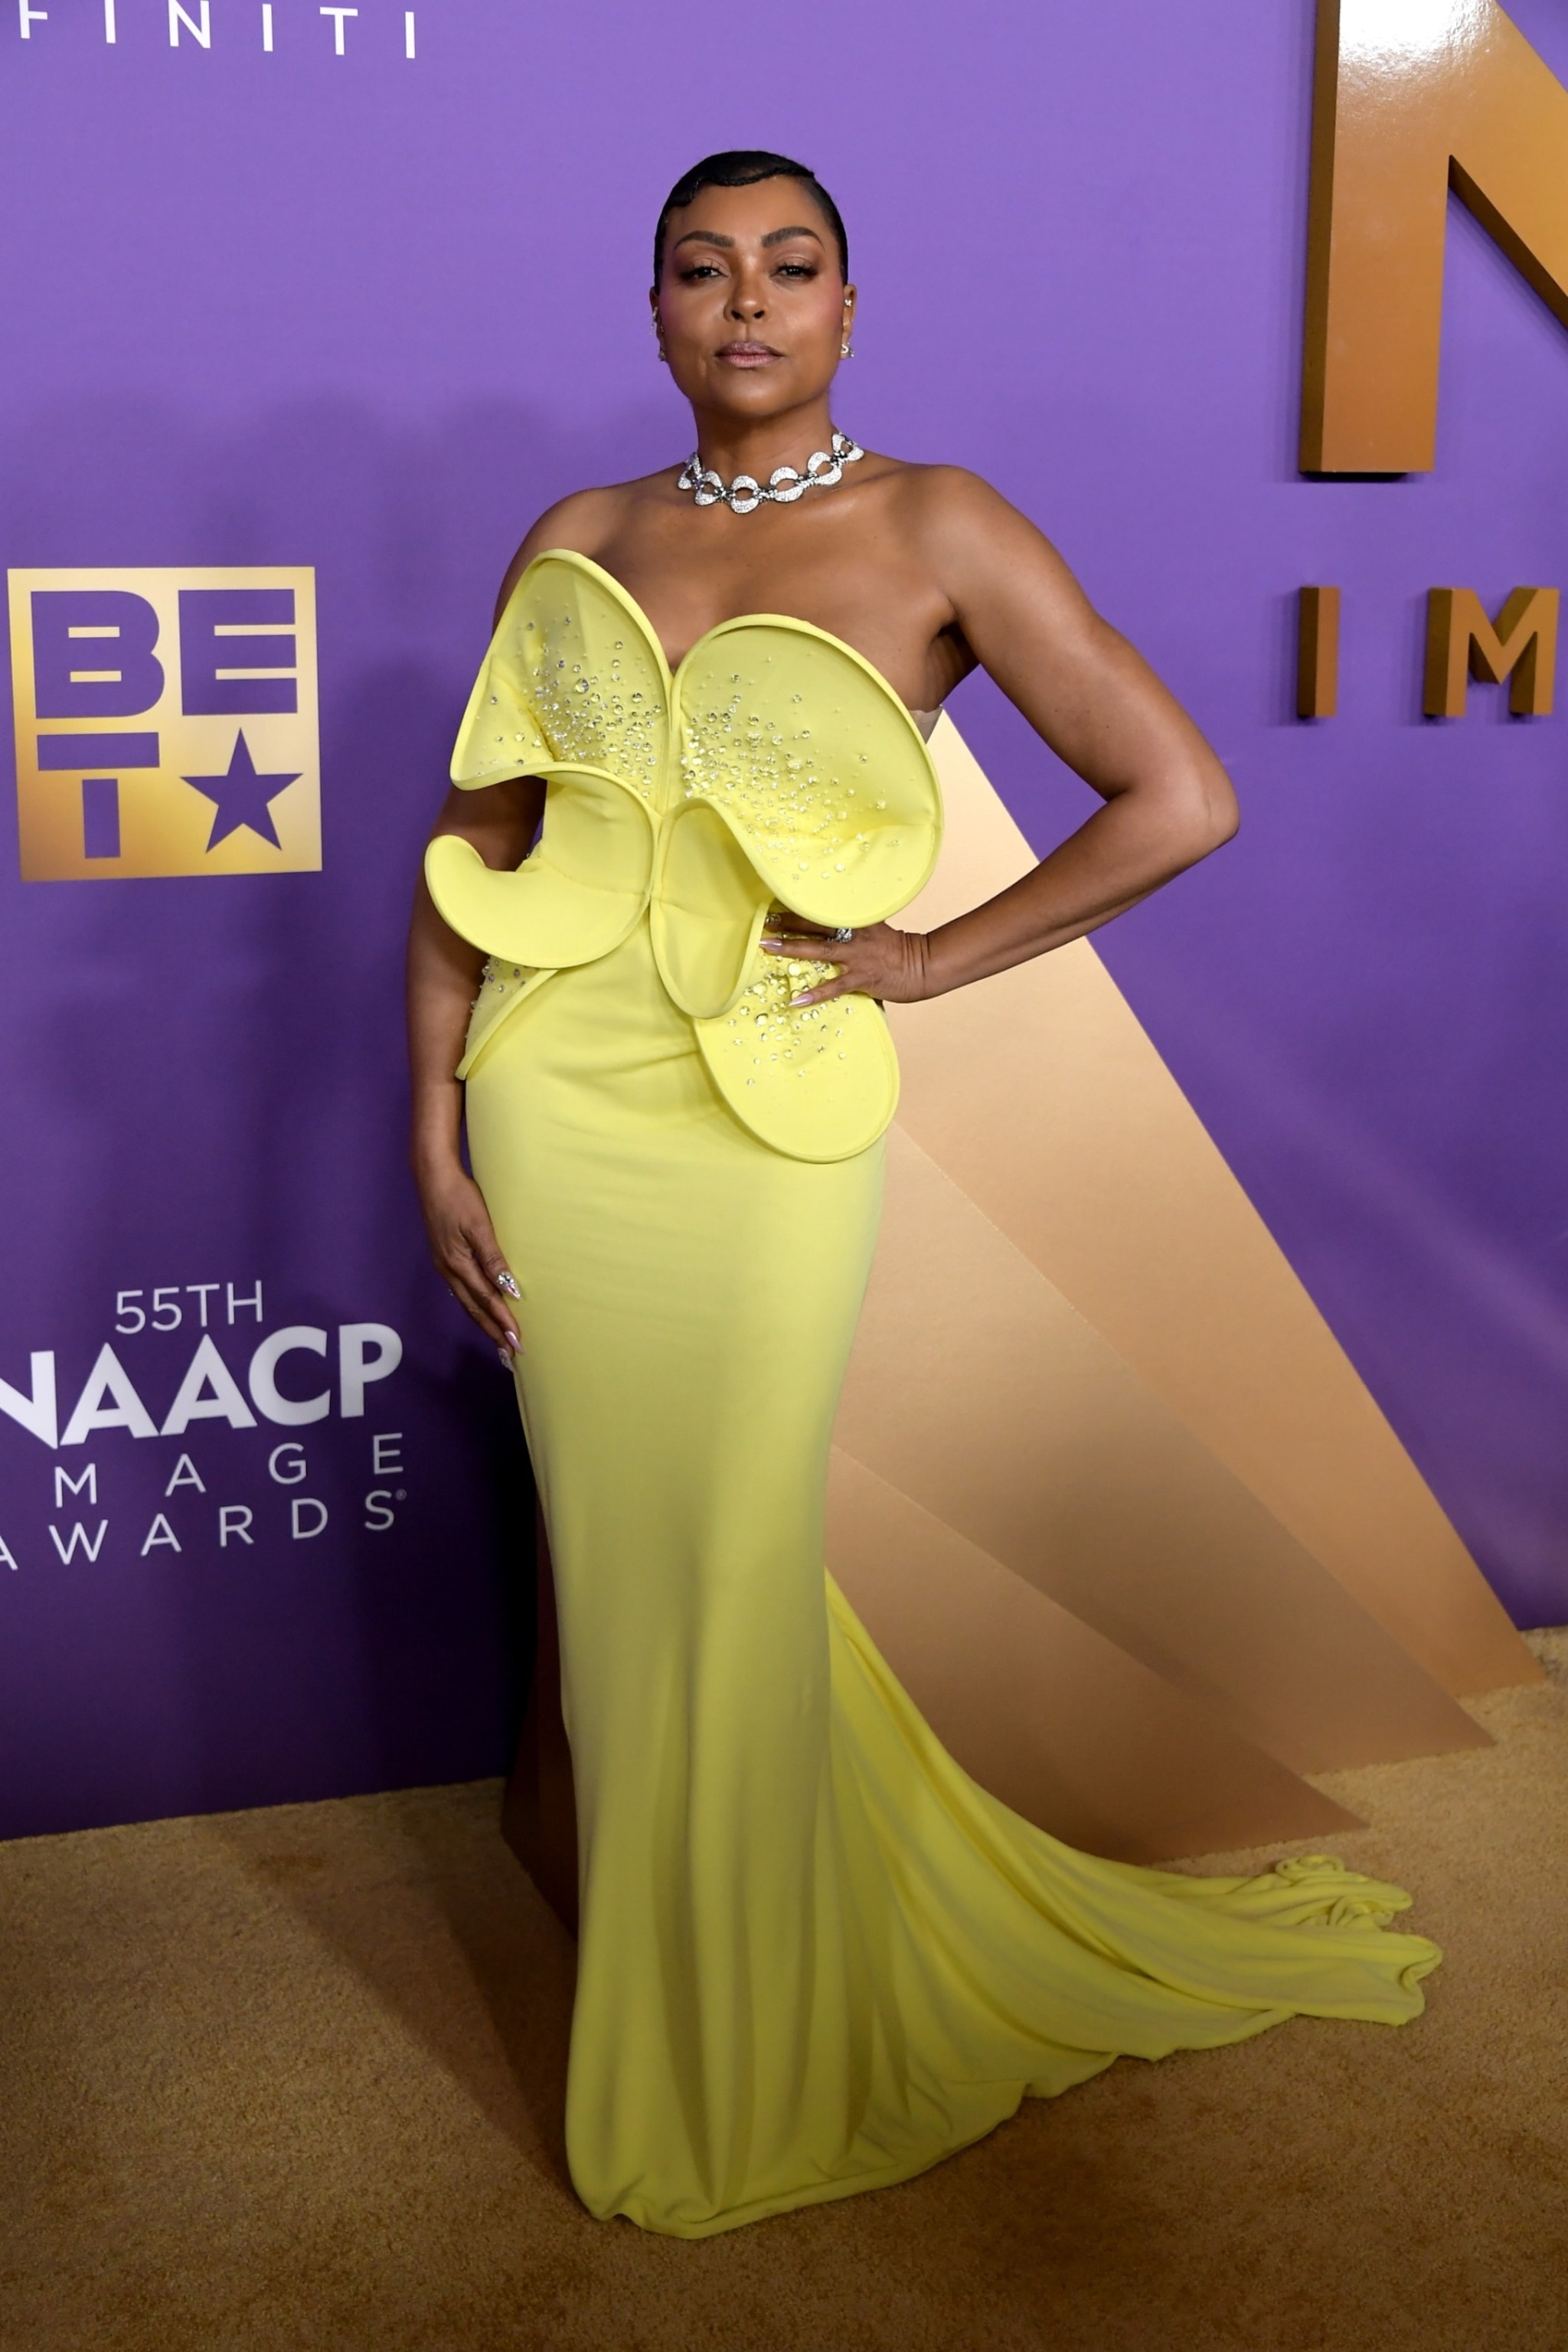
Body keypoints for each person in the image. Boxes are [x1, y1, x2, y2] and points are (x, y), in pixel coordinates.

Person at [406, 150, 1439, 2239]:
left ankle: (740, 2052)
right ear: (657, 311)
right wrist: (431, 1121)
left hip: (767, 1127)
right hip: (556, 1094)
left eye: (792, 268)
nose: (747, 303)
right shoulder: (578, 535)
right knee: (624, 1572)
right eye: (702, 271)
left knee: (728, 1553)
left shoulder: (940, 522)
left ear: (852, 309)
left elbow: (1180, 793)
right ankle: (672, 1991)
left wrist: (936, 957)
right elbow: (474, 856)